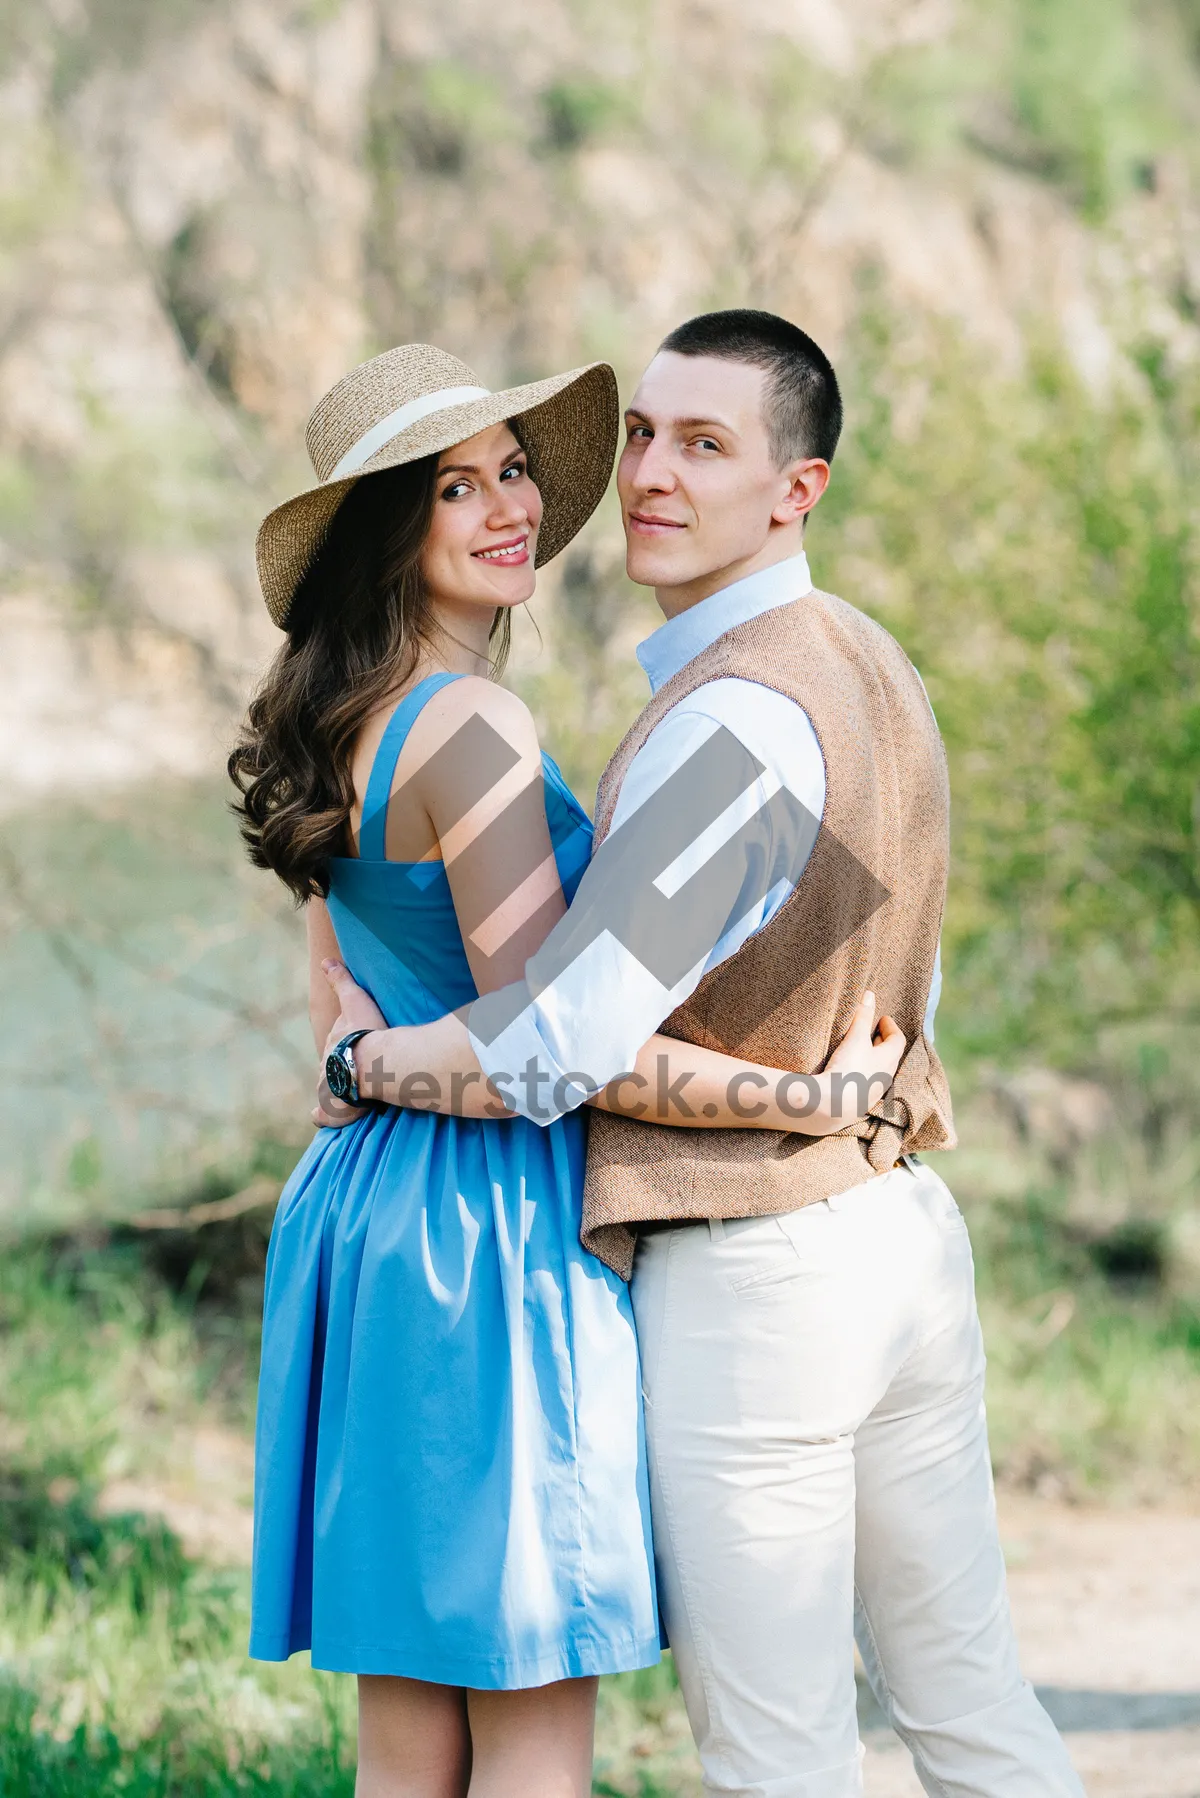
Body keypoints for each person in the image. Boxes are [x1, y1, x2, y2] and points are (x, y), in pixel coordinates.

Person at [322, 312, 1087, 1797]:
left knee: (775, 1753)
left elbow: (562, 1047)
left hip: (763, 1274)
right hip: (900, 1232)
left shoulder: (733, 719)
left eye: (706, 444)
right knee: (971, 1704)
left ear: (794, 490)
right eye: (649, 435)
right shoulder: (872, 661)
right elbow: (904, 964)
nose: (650, 476)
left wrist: (364, 1069)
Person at [232, 339, 905, 1798]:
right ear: (382, 533)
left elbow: (337, 1024)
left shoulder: (331, 724)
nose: (508, 506)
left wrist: (366, 1065)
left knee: (406, 1739)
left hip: (365, 1218)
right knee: (532, 1717)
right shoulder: (471, 725)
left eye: (514, 469)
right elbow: (559, 1049)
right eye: (453, 487)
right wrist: (812, 1101)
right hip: (491, 1236)